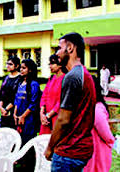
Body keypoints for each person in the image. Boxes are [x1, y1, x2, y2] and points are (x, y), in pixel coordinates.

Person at [44, 32, 96, 172]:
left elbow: (63, 120)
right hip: (80, 149)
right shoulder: (85, 74)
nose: (57, 53)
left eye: (59, 48)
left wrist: (50, 147)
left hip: (69, 151)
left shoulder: (72, 77)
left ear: (70, 48)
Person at [83, 76, 115, 172]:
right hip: (97, 149)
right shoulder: (96, 108)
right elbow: (105, 132)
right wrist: (112, 141)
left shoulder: (90, 106)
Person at [14, 58, 41, 145]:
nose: (21, 70)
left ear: (30, 70)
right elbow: (16, 100)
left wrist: (23, 116)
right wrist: (15, 114)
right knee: (18, 140)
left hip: (29, 118)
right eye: (21, 68)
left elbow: (33, 103)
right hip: (18, 117)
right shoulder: (20, 83)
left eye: (24, 68)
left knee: (28, 141)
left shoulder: (34, 84)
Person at [39, 54, 65, 135]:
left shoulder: (65, 79)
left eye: (52, 63)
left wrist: (48, 115)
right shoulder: (51, 78)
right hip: (46, 118)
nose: (50, 66)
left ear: (60, 65)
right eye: (49, 64)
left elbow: (61, 100)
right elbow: (44, 95)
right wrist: (42, 113)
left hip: (57, 117)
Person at [0, 57, 21, 129]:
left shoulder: (20, 78)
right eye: (7, 64)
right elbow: (1, 93)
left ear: (17, 66)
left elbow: (17, 96)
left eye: (10, 64)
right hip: (4, 109)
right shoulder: (6, 78)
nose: (7, 66)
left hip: (15, 109)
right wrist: (1, 107)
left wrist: (7, 109)